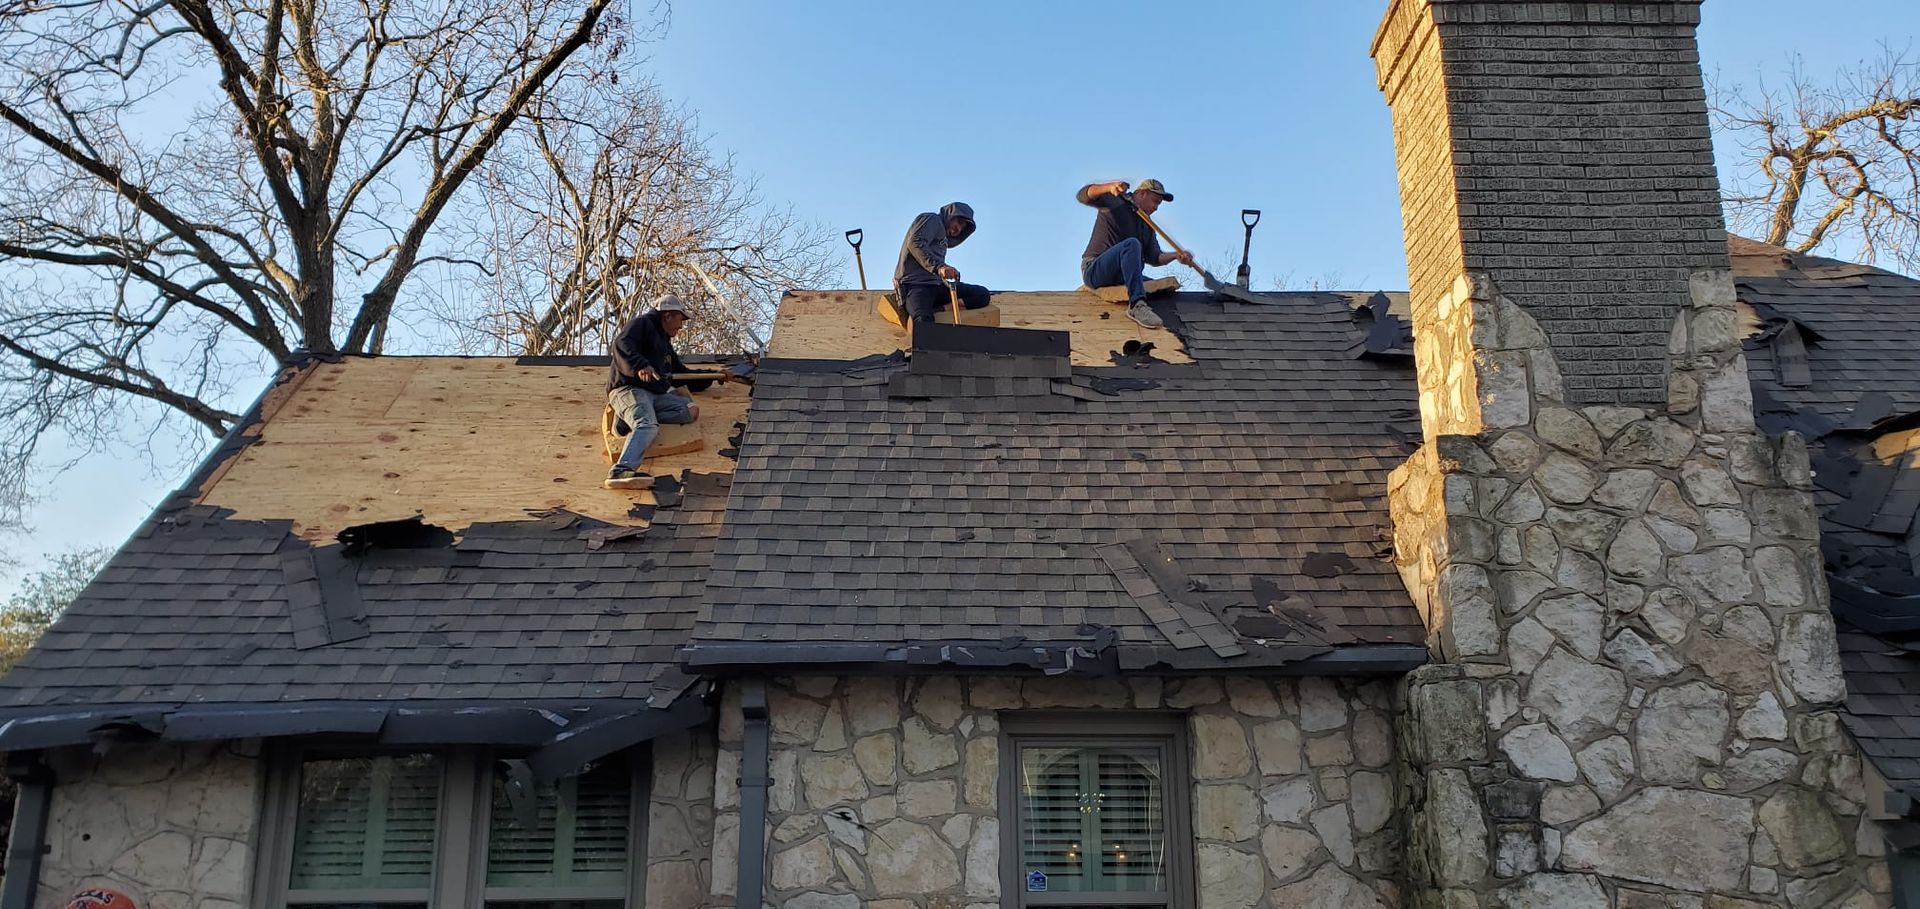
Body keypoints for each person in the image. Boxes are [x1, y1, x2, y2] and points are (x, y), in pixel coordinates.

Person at [605, 295, 701, 489]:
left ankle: (626, 419)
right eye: (680, 320)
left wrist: (716, 376)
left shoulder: (664, 344)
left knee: (690, 410)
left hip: (654, 395)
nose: (681, 326)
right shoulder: (642, 324)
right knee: (647, 425)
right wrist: (641, 365)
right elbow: (621, 345)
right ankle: (621, 470)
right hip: (630, 389)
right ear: (667, 315)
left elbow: (681, 373)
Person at [1076, 178, 1194, 328]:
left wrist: (1177, 255)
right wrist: (1108, 187)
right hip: (1095, 270)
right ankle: (1137, 306)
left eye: (1159, 204)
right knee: (1132, 244)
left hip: (1122, 276)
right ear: (1142, 193)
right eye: (1155, 201)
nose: (1156, 207)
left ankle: (1166, 318)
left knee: (1160, 287)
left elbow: (1155, 257)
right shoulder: (1117, 203)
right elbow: (1083, 195)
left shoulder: (1147, 225)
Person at [893, 202, 992, 324]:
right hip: (915, 285)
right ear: (951, 215)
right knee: (923, 321)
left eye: (963, 228)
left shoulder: (942, 238)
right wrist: (939, 267)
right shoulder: (932, 219)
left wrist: (947, 276)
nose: (959, 229)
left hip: (936, 286)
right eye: (959, 222)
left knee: (981, 295)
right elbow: (915, 242)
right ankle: (927, 316)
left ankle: (941, 309)